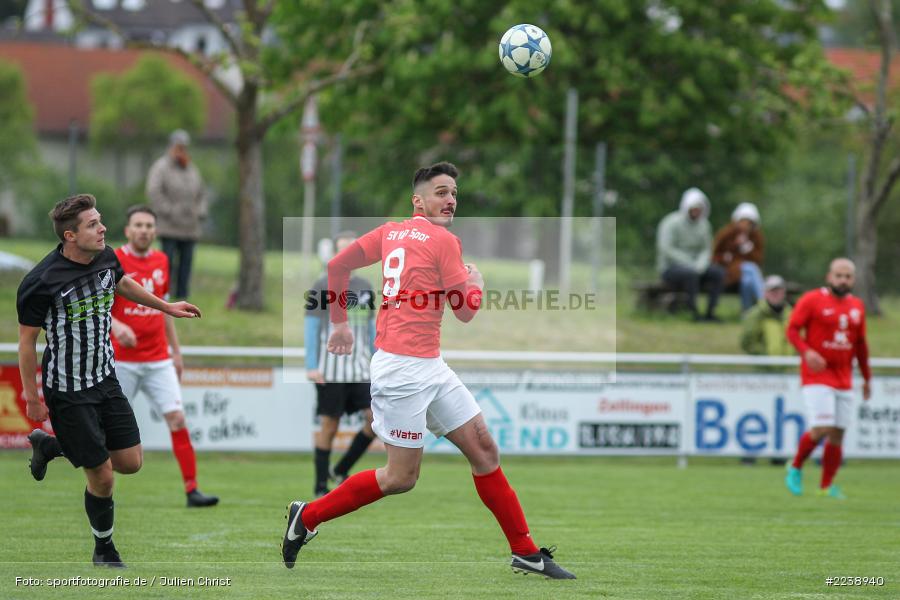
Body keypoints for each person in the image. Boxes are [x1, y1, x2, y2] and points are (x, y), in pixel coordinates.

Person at [280, 162, 575, 579]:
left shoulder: (389, 232)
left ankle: (525, 552)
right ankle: (307, 516)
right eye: (440, 191)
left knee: (484, 448)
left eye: (453, 192)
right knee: (400, 478)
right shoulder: (443, 241)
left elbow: (337, 267)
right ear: (418, 200)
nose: (450, 199)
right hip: (402, 371)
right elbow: (467, 312)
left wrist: (342, 324)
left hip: (428, 366)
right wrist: (477, 283)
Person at [17, 194, 201, 567]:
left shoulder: (106, 256)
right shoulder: (40, 281)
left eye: (101, 221)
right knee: (101, 474)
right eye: (92, 225)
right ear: (70, 235)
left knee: (130, 462)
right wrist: (32, 396)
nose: (103, 229)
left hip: (105, 377)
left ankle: (52, 446)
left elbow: (122, 283)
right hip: (67, 389)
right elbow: (27, 341)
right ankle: (104, 548)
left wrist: (167, 306)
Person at [110, 205, 219, 508]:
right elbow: (98, 305)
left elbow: (165, 307)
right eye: (138, 225)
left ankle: (192, 489)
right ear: (128, 230)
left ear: (155, 231)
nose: (144, 230)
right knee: (110, 427)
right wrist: (116, 325)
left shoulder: (161, 260)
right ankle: (104, 488)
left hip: (158, 358)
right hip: (122, 360)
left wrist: (176, 351)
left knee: (177, 417)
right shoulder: (113, 259)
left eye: (149, 225)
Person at [784, 258, 871, 500]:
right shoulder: (812, 300)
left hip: (844, 377)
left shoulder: (857, 306)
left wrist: (866, 378)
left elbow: (861, 345)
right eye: (839, 275)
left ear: (853, 279)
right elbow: (792, 329)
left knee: (838, 433)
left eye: (848, 276)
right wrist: (807, 352)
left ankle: (826, 486)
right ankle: (795, 467)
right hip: (817, 375)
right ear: (829, 277)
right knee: (822, 427)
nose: (843, 280)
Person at [305, 231, 377, 498]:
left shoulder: (366, 287)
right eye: (342, 250)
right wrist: (311, 365)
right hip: (331, 368)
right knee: (330, 426)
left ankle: (341, 468)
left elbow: (371, 329)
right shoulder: (321, 286)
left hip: (360, 369)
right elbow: (311, 329)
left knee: (374, 422)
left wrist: (377, 359)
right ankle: (320, 485)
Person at [146, 129, 207, 299]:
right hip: (169, 226)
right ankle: (166, 293)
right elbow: (154, 192)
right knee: (168, 262)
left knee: (186, 263)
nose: (182, 150)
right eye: (179, 147)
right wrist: (169, 211)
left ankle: (182, 295)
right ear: (171, 147)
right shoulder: (160, 167)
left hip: (190, 227)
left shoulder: (192, 169)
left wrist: (200, 211)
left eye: (184, 147)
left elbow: (202, 193)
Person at [656, 187, 725, 321]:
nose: (696, 212)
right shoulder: (671, 222)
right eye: (694, 208)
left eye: (699, 209)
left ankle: (710, 312)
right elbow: (666, 249)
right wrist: (690, 263)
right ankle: (693, 312)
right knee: (690, 274)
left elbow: (706, 249)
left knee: (718, 273)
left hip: (697, 267)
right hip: (671, 268)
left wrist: (701, 264)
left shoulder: (704, 225)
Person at [713, 202, 765, 311]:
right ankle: (764, 303)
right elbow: (714, 255)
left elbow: (759, 260)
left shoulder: (756, 237)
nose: (745, 225)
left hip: (748, 275)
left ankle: (747, 312)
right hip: (730, 273)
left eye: (748, 223)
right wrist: (727, 256)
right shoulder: (726, 234)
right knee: (751, 268)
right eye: (742, 221)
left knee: (747, 281)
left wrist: (748, 249)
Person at [740, 275, 793, 357]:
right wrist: (765, 355)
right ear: (765, 293)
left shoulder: (792, 314)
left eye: (778, 290)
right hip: (764, 367)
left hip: (789, 367)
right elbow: (747, 343)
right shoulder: (754, 314)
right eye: (771, 290)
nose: (775, 294)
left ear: (784, 292)